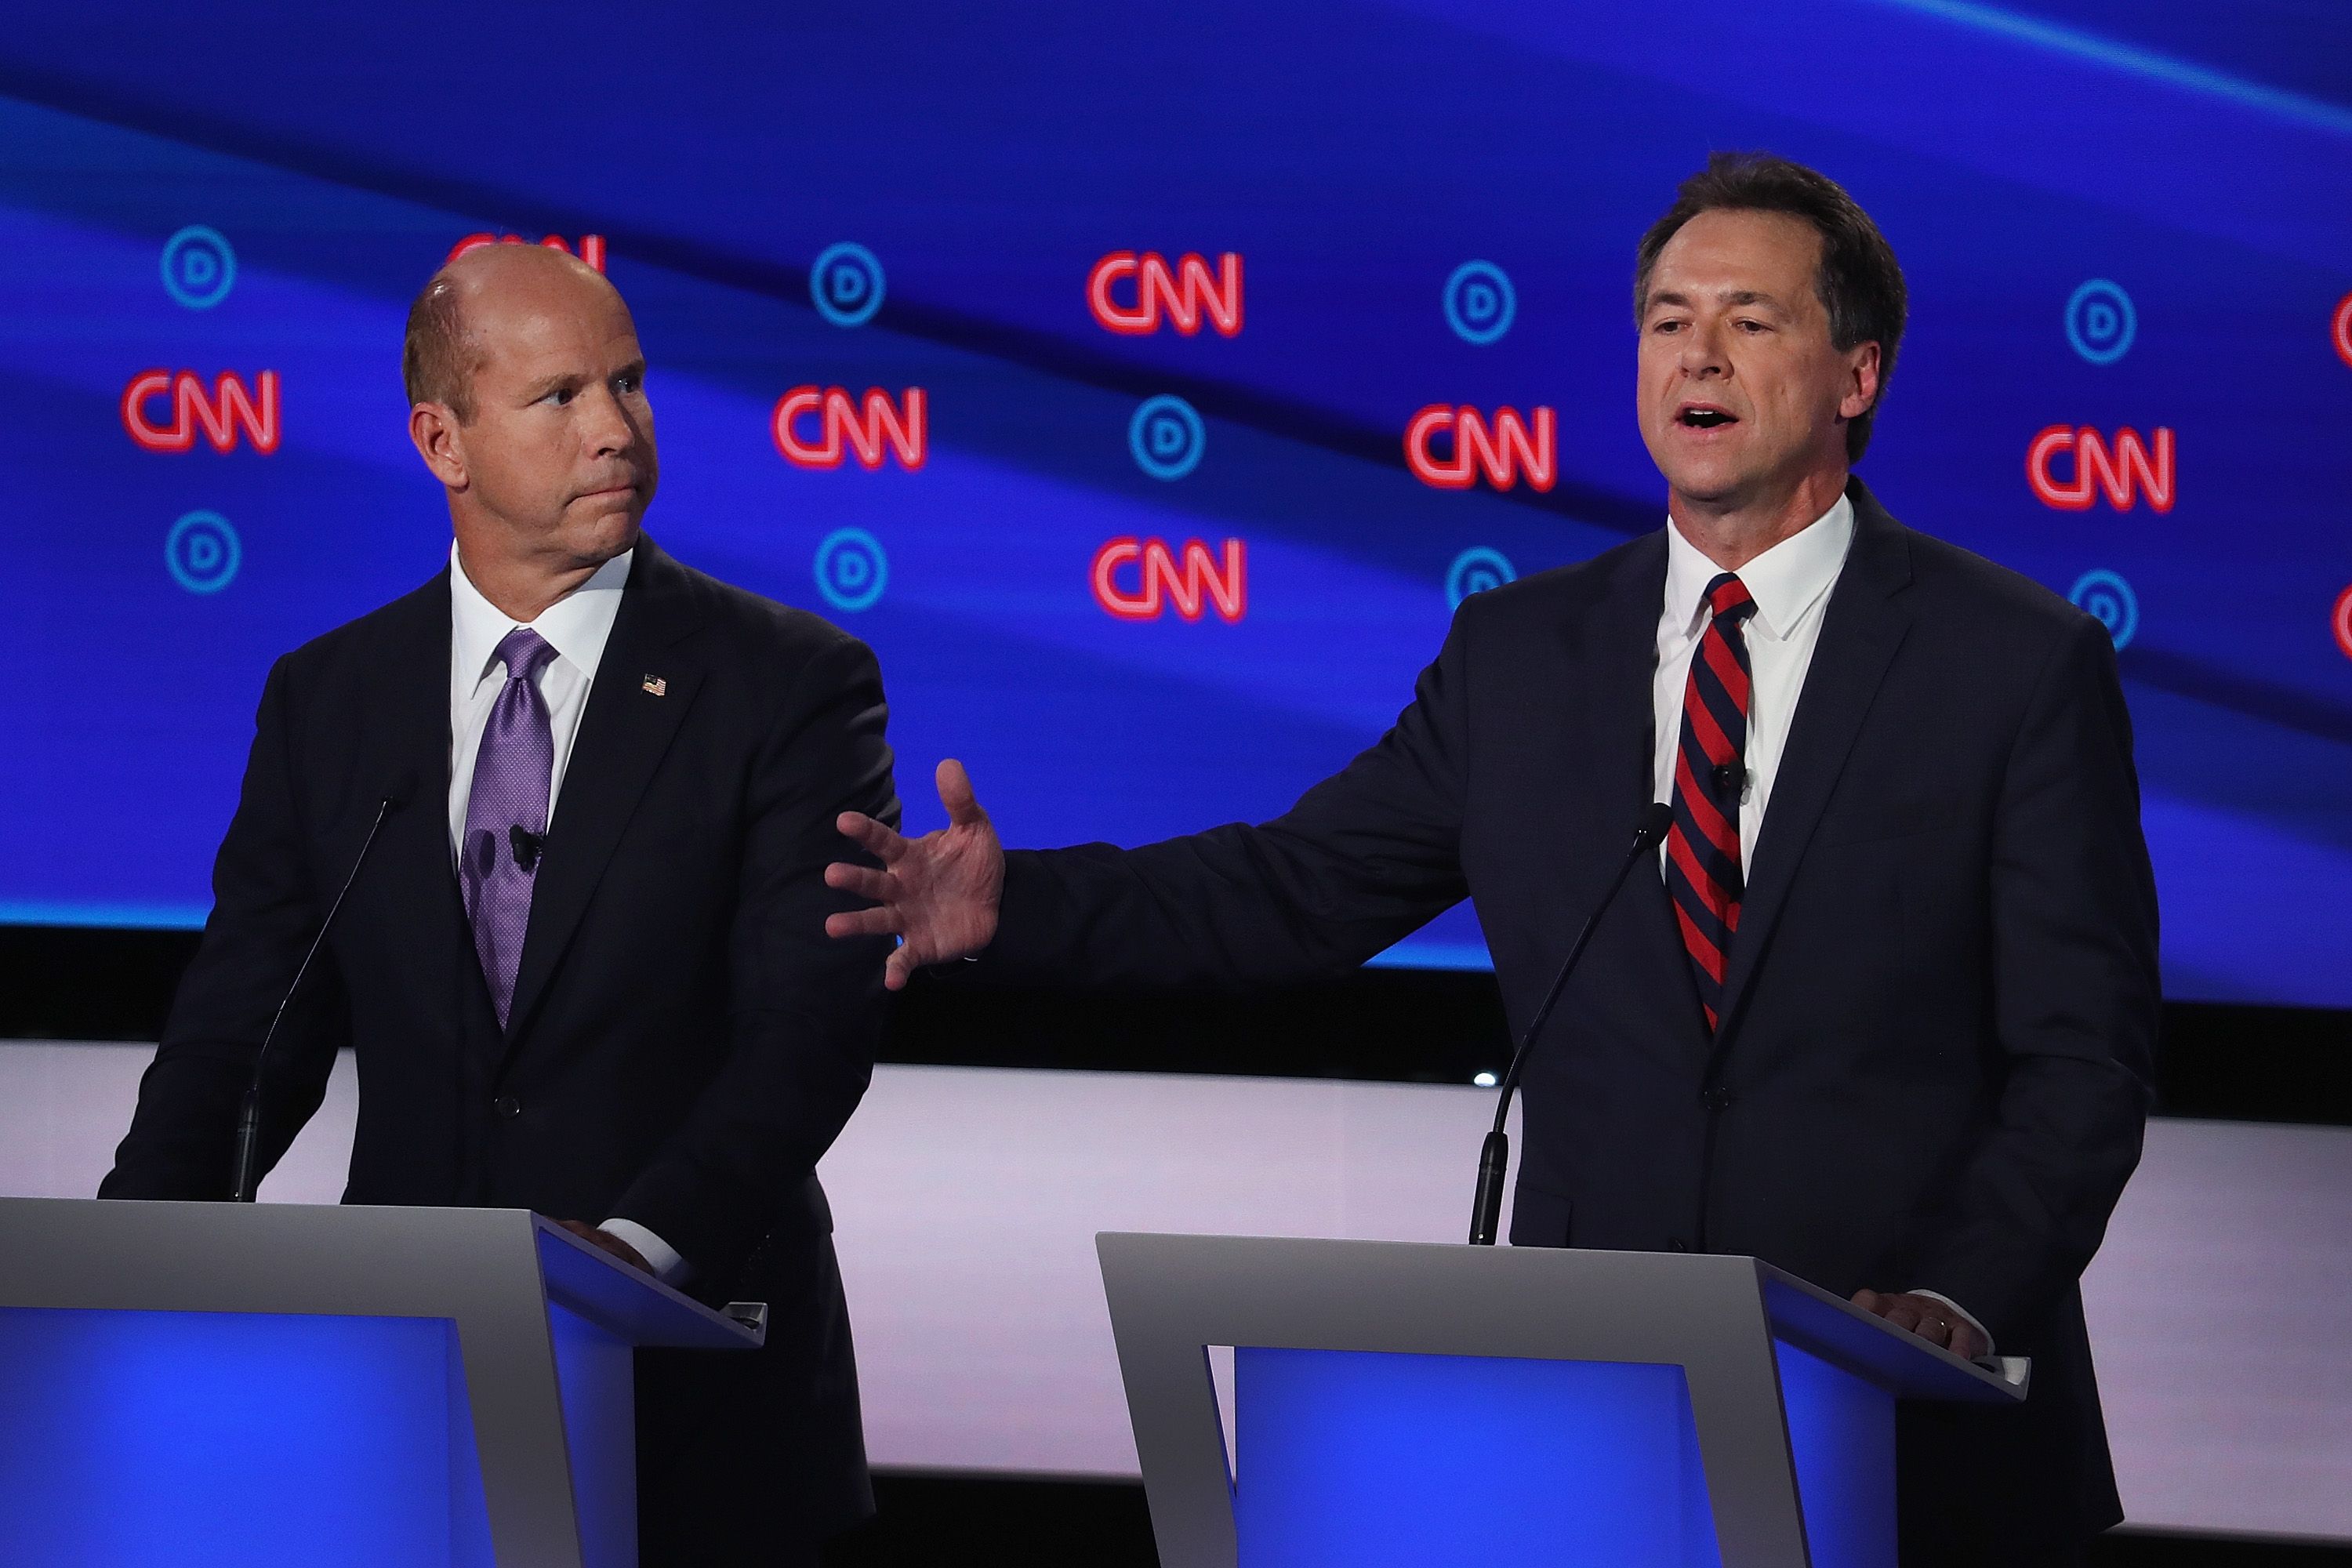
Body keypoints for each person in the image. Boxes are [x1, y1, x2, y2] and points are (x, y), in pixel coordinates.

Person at [826, 154, 2158, 1564]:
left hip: (1912, 1438)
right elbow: (1289, 891)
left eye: (1751, 321)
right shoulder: (1523, 658)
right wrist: (1013, 902)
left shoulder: (2010, 665)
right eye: (1665, 318)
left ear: (1856, 375)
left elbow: (2087, 1058)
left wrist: (1957, 1303)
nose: (1695, 355)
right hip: (1597, 1422)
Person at [101, 242, 898, 1566]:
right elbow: (243, 1042)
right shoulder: (333, 699)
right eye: (562, 396)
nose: (616, 430)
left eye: (631, 384)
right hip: (411, 1399)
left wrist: (632, 1255)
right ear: (443, 442)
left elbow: (807, 1038)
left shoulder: (786, 683)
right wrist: (119, 1282)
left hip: (702, 1413)